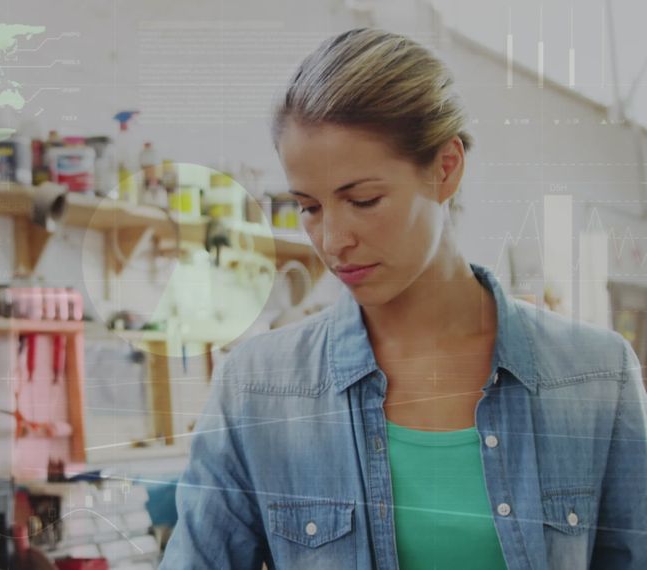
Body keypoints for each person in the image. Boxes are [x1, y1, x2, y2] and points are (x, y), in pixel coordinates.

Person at [160, 28, 647, 569]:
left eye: (363, 200)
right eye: (309, 207)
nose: (332, 240)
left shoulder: (595, 377)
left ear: (445, 168)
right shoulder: (259, 389)